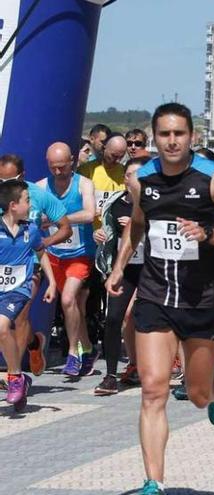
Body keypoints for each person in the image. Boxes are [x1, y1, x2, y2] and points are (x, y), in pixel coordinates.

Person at [105, 103, 214, 495]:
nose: (172, 141)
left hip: (202, 298)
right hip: (155, 294)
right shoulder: (142, 178)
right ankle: (153, 482)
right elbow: (139, 224)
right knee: (153, 388)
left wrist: (208, 234)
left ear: (192, 136)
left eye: (179, 134)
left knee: (197, 395)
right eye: (164, 134)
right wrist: (121, 266)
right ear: (154, 137)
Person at [0, 154, 71, 383]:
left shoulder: (36, 196)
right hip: (4, 267)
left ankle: (14, 376)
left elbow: (65, 228)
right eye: (2, 181)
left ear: (23, 176)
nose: (6, 185)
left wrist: (40, 245)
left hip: (30, 267)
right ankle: (34, 342)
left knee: (19, 318)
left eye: (11, 180)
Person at [37, 143, 97, 377]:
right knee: (73, 307)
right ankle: (89, 349)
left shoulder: (83, 184)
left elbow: (89, 214)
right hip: (53, 255)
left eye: (62, 167)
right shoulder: (42, 186)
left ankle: (73, 353)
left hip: (79, 253)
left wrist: (59, 221)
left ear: (72, 161)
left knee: (69, 299)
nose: (58, 172)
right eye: (53, 168)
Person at [93, 157, 149, 395]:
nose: (132, 179)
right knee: (114, 317)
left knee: (143, 317)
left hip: (150, 268)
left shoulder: (154, 205)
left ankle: (151, 368)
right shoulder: (115, 204)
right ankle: (110, 375)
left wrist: (138, 226)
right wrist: (101, 235)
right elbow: (106, 230)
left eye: (138, 175)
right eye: (129, 175)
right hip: (122, 268)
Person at [0, 180, 57, 412]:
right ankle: (19, 379)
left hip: (19, 289)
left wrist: (52, 282)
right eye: (27, 200)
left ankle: (14, 377)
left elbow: (41, 253)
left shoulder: (31, 229)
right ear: (13, 205)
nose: (30, 204)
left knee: (2, 327)